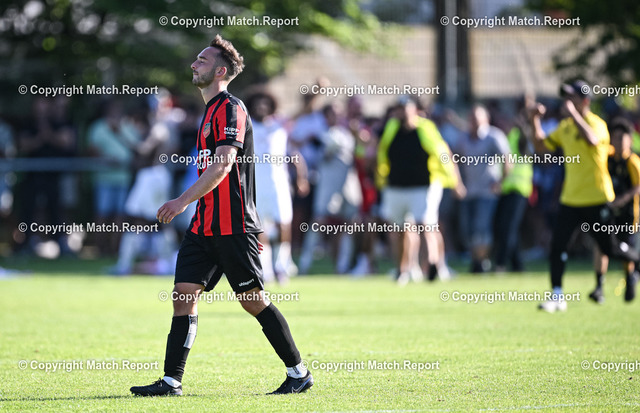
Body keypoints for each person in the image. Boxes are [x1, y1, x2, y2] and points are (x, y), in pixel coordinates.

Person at [130, 35, 313, 396]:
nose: (194, 64)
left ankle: (299, 373)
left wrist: (181, 201)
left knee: (252, 300)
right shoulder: (208, 111)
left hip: (234, 225)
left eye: (202, 60)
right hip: (204, 226)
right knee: (183, 294)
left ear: (219, 71)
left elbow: (223, 165)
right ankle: (172, 381)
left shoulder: (231, 109)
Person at [528, 80, 640, 312]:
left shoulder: (596, 123)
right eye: (567, 97)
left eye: (573, 98)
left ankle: (635, 260)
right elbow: (541, 147)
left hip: (596, 197)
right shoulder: (566, 127)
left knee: (609, 249)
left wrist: (573, 115)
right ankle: (557, 295)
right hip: (571, 199)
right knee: (558, 246)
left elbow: (591, 139)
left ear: (585, 101)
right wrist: (534, 120)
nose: (568, 102)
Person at [377, 96, 464, 284]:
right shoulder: (391, 128)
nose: (402, 112)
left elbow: (443, 153)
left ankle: (434, 264)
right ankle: (402, 269)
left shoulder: (426, 128)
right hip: (396, 186)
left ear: (414, 110)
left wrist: (455, 181)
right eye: (399, 108)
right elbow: (382, 153)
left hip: (423, 186)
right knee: (399, 229)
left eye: (405, 108)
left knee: (426, 225)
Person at [246, 89, 308, 283]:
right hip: (254, 185)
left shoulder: (280, 125)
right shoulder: (246, 126)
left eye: (265, 103)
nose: (261, 106)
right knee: (259, 228)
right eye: (257, 103)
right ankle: (265, 269)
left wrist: (316, 92)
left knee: (283, 224)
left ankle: (282, 265)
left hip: (279, 184)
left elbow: (304, 110)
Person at [590, 117, 640, 303]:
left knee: (624, 248)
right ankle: (599, 286)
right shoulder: (608, 157)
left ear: (630, 140)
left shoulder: (632, 162)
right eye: (615, 138)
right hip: (609, 213)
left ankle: (630, 277)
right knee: (601, 244)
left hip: (628, 215)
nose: (617, 142)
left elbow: (638, 187)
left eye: (621, 138)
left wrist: (621, 200)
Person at [455, 105, 511, 273]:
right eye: (472, 118)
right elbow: (455, 160)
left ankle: (481, 262)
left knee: (481, 227)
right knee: (467, 229)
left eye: (477, 118)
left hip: (487, 191)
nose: (474, 122)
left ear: (485, 119)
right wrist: (457, 183)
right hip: (468, 191)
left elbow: (507, 160)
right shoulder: (463, 138)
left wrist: (500, 182)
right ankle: (476, 260)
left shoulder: (494, 136)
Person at [494, 100, 534, 272]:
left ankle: (501, 263)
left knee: (507, 227)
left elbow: (526, 144)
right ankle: (517, 264)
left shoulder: (520, 135)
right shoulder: (508, 136)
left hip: (519, 188)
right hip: (507, 188)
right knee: (508, 227)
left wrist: (524, 123)